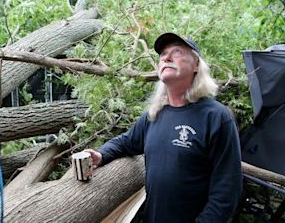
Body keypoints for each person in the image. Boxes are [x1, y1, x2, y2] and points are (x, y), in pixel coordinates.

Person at [85, 32, 242, 223]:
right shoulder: (154, 114)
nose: (166, 57)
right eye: (162, 55)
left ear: (196, 65)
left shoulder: (216, 117)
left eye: (176, 52)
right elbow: (127, 141)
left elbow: (227, 189)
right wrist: (101, 154)